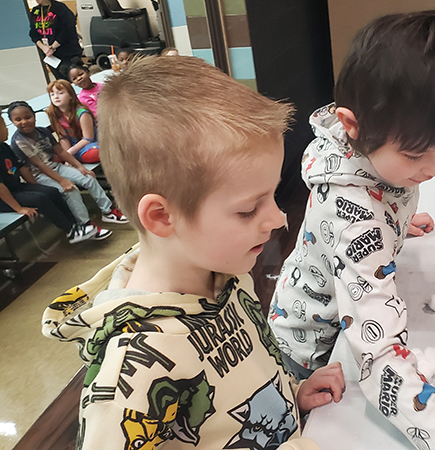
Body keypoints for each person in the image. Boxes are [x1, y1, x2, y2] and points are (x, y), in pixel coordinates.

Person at [41, 55, 345, 450]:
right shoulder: (129, 378)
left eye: (271, 195)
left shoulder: (225, 274)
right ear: (162, 217)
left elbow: (244, 379)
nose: (277, 218)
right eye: (248, 208)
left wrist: (291, 396)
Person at [269, 11, 435, 450]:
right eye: (416, 155)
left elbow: (373, 199)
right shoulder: (355, 217)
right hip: (309, 353)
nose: (434, 168)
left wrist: (392, 220)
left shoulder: (372, 164)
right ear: (354, 125)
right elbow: (378, 359)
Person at [7, 101, 126, 235]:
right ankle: (85, 224)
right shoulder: (18, 141)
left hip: (55, 167)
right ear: (12, 121)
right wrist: (62, 181)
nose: (24, 121)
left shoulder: (43, 131)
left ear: (34, 116)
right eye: (18, 119)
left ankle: (108, 211)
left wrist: (80, 167)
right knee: (70, 190)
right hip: (40, 175)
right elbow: (40, 165)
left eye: (27, 117)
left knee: (88, 177)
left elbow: (61, 152)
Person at [1, 119, 97, 243]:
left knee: (51, 191)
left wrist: (36, 186)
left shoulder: (3, 147)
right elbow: (1, 188)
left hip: (16, 187)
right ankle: (70, 231)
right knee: (40, 199)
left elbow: (22, 168)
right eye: (3, 125)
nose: (7, 129)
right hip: (4, 198)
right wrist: (19, 208)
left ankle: (76, 226)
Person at [46, 79, 101, 163]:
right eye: (52, 94)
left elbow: (88, 138)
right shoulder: (54, 114)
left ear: (71, 95)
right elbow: (63, 137)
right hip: (71, 145)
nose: (56, 97)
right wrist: (69, 157)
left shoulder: (82, 113)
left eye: (60, 93)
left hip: (88, 143)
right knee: (51, 157)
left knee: (96, 153)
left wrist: (69, 153)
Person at [28, 0, 82, 80]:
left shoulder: (60, 8)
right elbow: (33, 33)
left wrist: (53, 47)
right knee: (61, 81)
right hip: (50, 55)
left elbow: (68, 29)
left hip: (67, 52)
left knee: (74, 78)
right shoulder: (36, 10)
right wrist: (44, 48)